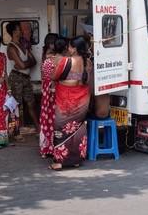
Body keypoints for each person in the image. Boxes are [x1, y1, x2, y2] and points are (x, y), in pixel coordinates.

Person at [49, 36, 91, 170]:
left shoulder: (66, 61)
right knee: (78, 128)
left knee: (61, 128)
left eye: (70, 46)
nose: (68, 48)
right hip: (82, 100)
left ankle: (60, 161)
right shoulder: (87, 62)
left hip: (66, 100)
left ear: (75, 48)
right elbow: (83, 79)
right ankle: (76, 159)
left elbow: (54, 76)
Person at [6, 21, 39, 136]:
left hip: (24, 77)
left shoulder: (23, 44)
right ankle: (16, 131)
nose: (21, 31)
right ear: (14, 31)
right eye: (19, 29)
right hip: (16, 78)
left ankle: (38, 128)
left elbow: (32, 62)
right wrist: (26, 63)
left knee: (31, 103)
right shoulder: (11, 47)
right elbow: (23, 65)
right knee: (16, 105)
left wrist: (25, 63)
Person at [39, 33, 61, 158]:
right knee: (55, 119)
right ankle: (56, 147)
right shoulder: (58, 61)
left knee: (47, 119)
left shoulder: (45, 60)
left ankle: (45, 147)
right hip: (56, 93)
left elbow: (43, 77)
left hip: (46, 94)